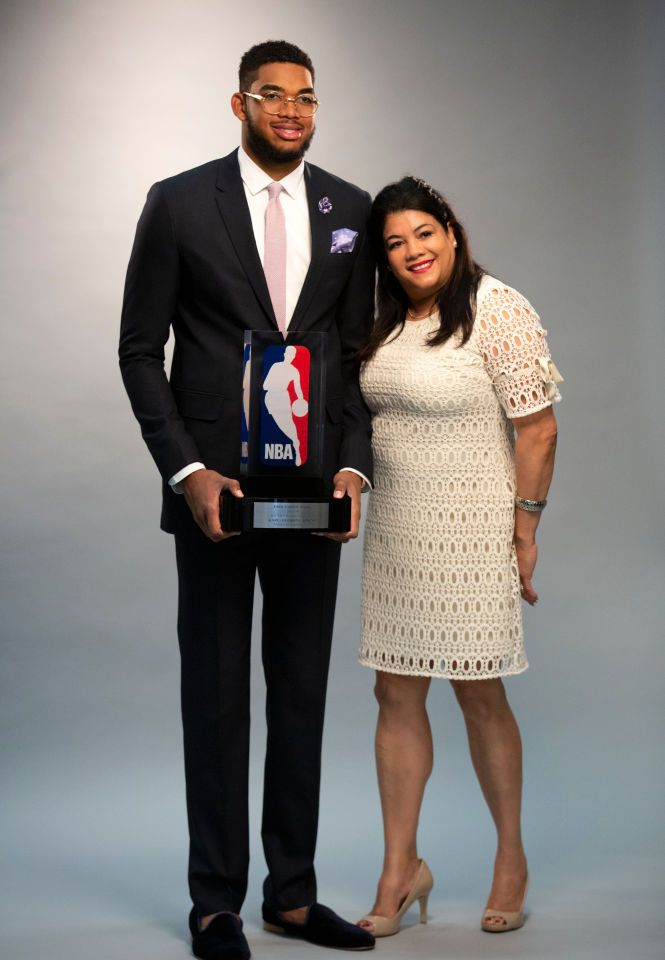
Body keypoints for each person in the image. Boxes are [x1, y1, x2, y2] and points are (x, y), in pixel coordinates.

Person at [119, 40, 376, 960]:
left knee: (300, 694)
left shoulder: (350, 209)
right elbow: (140, 349)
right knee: (219, 698)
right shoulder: (180, 202)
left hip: (314, 492)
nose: (293, 111)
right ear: (240, 104)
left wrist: (353, 469)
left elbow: (356, 357)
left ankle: (292, 898)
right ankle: (216, 903)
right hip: (217, 495)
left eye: (307, 96)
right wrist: (186, 473)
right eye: (274, 96)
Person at [355, 176, 562, 937]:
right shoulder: (383, 320)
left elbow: (535, 429)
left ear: (450, 230)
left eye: (422, 233)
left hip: (473, 531)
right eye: (394, 243)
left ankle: (510, 858)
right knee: (394, 695)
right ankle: (399, 868)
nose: (411, 251)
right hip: (398, 534)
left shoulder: (496, 306)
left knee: (479, 694)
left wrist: (524, 529)